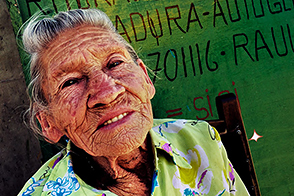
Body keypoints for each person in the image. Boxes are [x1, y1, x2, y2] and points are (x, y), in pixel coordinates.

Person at [18, 9, 249, 196]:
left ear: (145, 78)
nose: (108, 93)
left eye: (115, 63)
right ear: (48, 123)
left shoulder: (199, 140)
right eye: (71, 82)